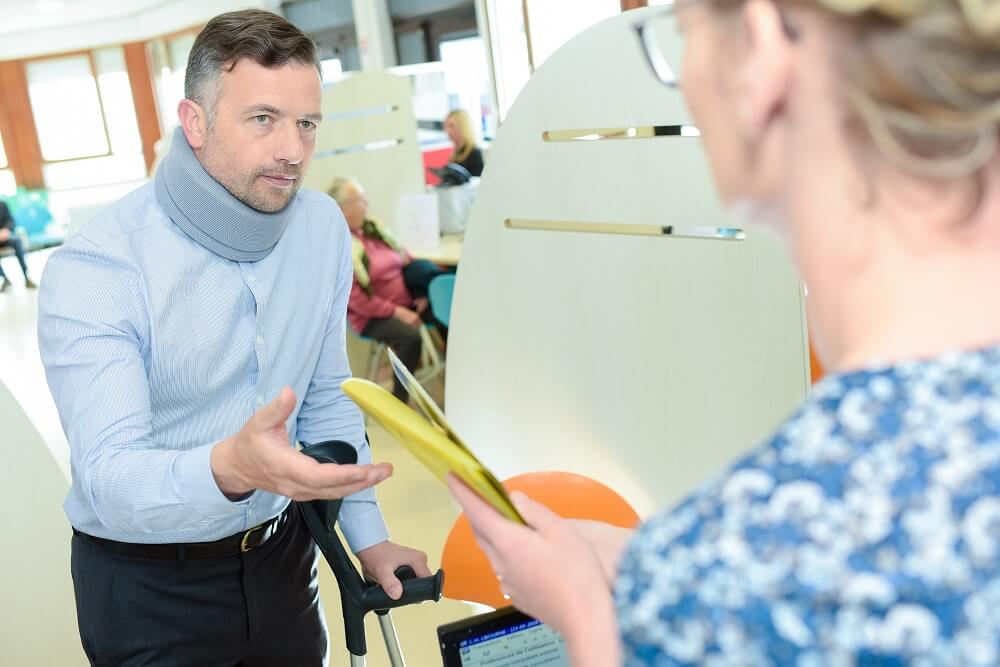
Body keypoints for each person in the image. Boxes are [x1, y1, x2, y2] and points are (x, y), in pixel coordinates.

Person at [448, 0, 1000, 664]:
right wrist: (652, 562)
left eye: (679, 35)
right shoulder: (736, 560)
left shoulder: (740, 563)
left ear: (762, 50)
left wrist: (587, 609)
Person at [37, 10, 429, 666]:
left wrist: (369, 536)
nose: (293, 150)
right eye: (263, 119)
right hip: (149, 587)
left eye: (306, 123)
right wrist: (227, 467)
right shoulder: (98, 266)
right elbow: (107, 474)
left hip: (281, 558)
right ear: (195, 123)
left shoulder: (322, 229)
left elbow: (327, 393)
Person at [328, 177, 444, 401]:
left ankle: (454, 383)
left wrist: (421, 293)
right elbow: (357, 301)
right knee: (411, 338)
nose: (367, 204)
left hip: (407, 301)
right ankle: (400, 400)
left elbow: (406, 258)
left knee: (445, 313)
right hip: (371, 316)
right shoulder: (339, 246)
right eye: (360, 200)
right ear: (343, 208)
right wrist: (398, 312)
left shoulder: (375, 230)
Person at [0, 199, 36, 291]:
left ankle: (26, 277)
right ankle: (5, 279)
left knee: (17, 241)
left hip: (4, 236)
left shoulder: (2, 204)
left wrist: (6, 230)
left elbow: (10, 221)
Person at [444, 109, 484, 177]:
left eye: (451, 126)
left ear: (462, 127)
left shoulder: (474, 152)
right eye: (446, 126)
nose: (447, 130)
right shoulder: (455, 153)